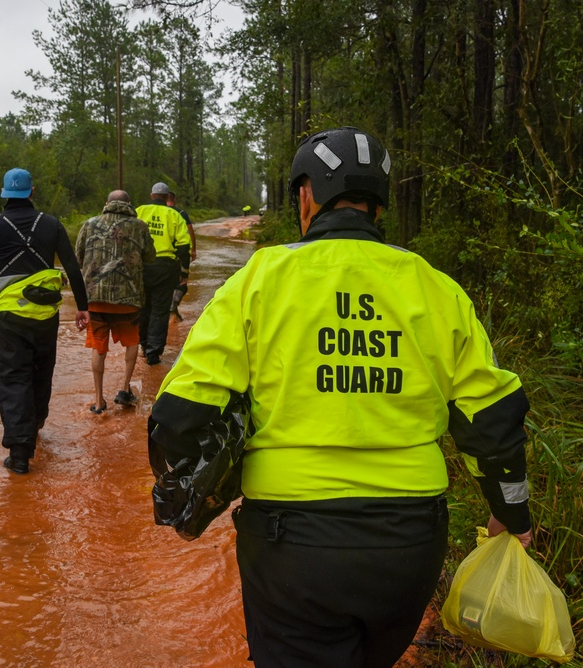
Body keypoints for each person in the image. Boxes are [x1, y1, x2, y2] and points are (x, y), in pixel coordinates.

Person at [148, 126, 533, 667]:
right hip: (410, 541)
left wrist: (190, 499)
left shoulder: (261, 279)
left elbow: (181, 414)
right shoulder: (434, 285)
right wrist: (512, 515)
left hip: (291, 544)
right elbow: (492, 421)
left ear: (306, 197)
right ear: (379, 205)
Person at [0, 167, 90, 475]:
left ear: (4, 194)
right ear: (31, 192)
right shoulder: (51, 224)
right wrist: (82, 306)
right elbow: (73, 266)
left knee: (13, 377)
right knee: (41, 369)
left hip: (9, 316)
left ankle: (20, 453)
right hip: (45, 314)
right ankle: (34, 426)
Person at [75, 190, 156, 413]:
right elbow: (150, 256)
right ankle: (124, 389)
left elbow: (79, 257)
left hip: (95, 300)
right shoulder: (139, 226)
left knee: (98, 348)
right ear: (129, 204)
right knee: (132, 343)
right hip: (128, 300)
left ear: (106, 203)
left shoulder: (89, 224)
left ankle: (99, 401)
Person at [136, 182, 191, 365]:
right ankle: (153, 352)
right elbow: (184, 246)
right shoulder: (174, 215)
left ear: (152, 195)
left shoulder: (139, 211)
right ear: (168, 197)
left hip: (141, 266)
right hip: (165, 267)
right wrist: (184, 270)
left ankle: (143, 346)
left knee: (143, 307)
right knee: (160, 310)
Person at [166, 190, 194, 322]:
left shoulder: (160, 213)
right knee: (182, 283)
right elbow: (190, 231)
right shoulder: (181, 213)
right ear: (174, 199)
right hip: (180, 253)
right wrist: (193, 249)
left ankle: (170, 310)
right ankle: (173, 306)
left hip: (162, 254)